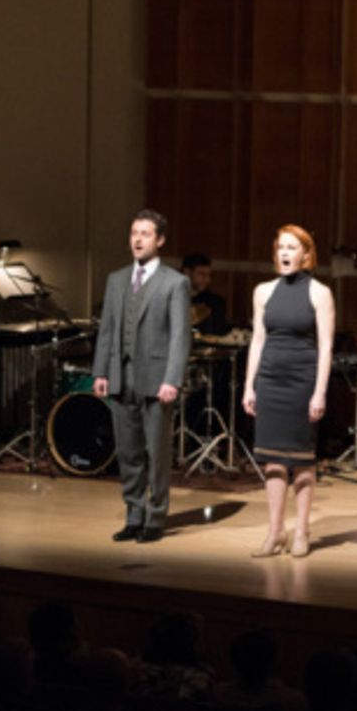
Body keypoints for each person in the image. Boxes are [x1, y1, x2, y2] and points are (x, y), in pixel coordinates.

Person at [92, 210, 191, 543]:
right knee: (128, 451)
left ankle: (156, 516)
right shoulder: (116, 279)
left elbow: (180, 336)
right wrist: (102, 371)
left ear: (160, 240)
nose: (137, 239)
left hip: (156, 378)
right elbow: (107, 330)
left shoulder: (175, 282)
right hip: (122, 375)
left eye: (145, 234)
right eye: (134, 232)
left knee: (156, 452)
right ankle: (134, 514)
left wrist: (172, 379)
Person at [242, 225, 335, 558]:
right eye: (280, 247)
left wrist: (319, 392)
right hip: (270, 380)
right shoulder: (263, 292)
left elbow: (326, 347)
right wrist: (249, 385)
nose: (284, 253)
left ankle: (302, 532)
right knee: (272, 462)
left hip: (302, 382)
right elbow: (257, 341)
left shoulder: (320, 293)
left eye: (292, 247)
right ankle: (275, 531)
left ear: (306, 255)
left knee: (302, 461)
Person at [181, 252, 228, 336]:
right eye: (202, 274)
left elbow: (219, 333)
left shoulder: (216, 303)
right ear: (187, 272)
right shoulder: (172, 298)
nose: (207, 280)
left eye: (209, 275)